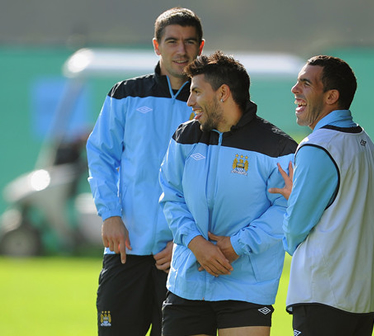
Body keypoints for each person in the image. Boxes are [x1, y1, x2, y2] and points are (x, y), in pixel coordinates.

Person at [158, 51, 298, 336]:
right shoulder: (184, 137)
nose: (189, 101)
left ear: (223, 93)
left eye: (197, 91)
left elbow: (286, 209)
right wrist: (196, 243)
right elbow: (171, 195)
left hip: (247, 287)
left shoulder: (279, 147)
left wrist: (237, 245)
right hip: (188, 281)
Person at [86, 8, 204, 336]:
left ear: (201, 46)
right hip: (126, 251)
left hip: (181, 256)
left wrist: (186, 243)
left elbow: (213, 183)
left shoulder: (210, 104)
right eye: (172, 41)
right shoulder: (126, 94)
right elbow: (100, 156)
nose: (181, 50)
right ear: (157, 45)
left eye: (189, 42)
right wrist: (109, 215)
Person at [269, 55, 374, 336]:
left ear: (331, 96)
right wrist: (300, 195)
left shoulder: (317, 146)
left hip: (324, 296)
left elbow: (294, 232)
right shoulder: (366, 142)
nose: (294, 89)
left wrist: (294, 203)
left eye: (305, 83)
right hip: (363, 296)